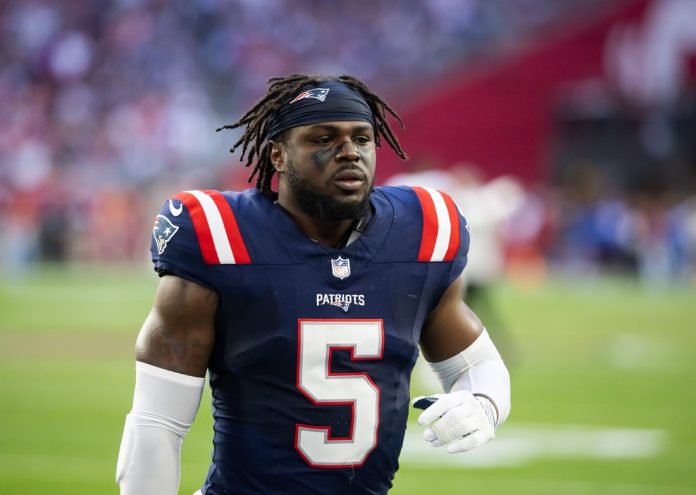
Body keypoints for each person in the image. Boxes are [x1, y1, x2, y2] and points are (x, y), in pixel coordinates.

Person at [116, 74, 511, 495]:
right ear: (278, 155)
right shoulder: (221, 237)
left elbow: (474, 365)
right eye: (324, 139)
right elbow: (157, 421)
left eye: (362, 139)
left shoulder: (420, 231)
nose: (350, 152)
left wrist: (482, 404)